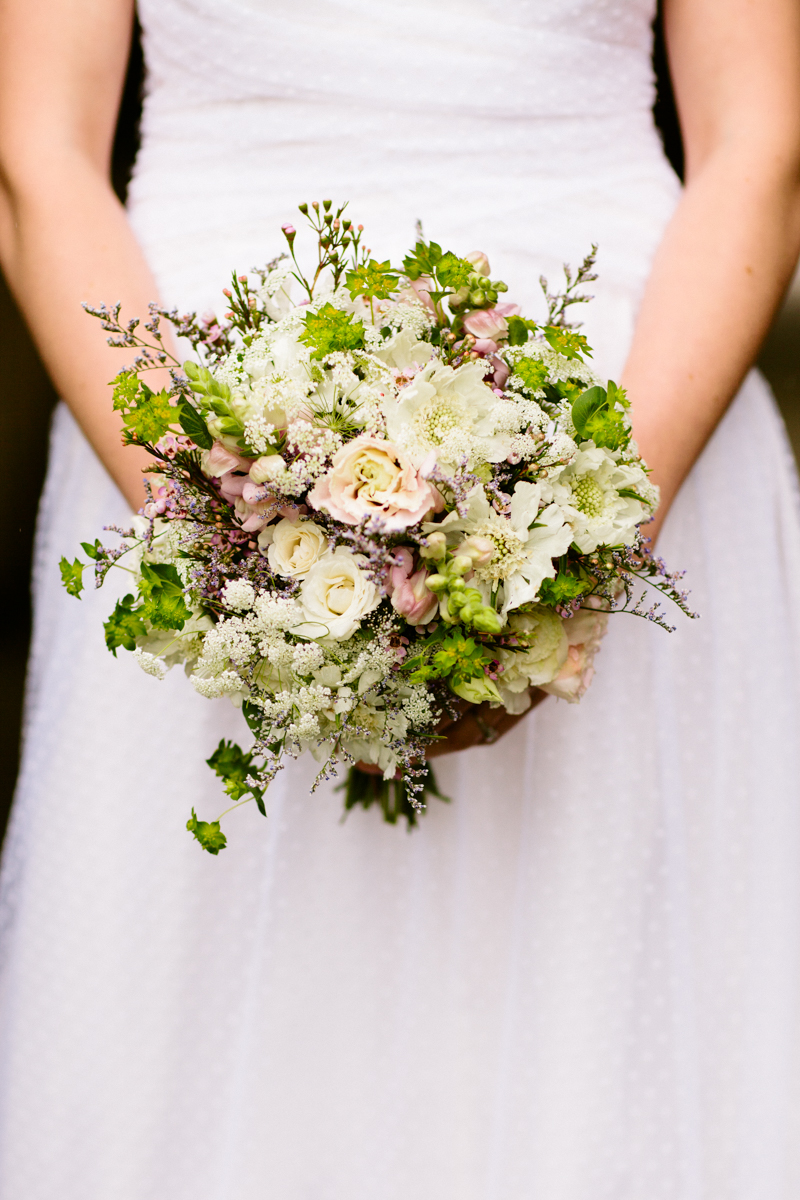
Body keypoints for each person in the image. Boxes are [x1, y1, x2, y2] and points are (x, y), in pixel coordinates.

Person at [1, 0, 800, 1195]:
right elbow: (38, 158)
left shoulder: (615, 500)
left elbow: (758, 145)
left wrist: (588, 537)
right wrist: (225, 532)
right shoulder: (203, 503)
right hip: (185, 435)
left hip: (633, 410)